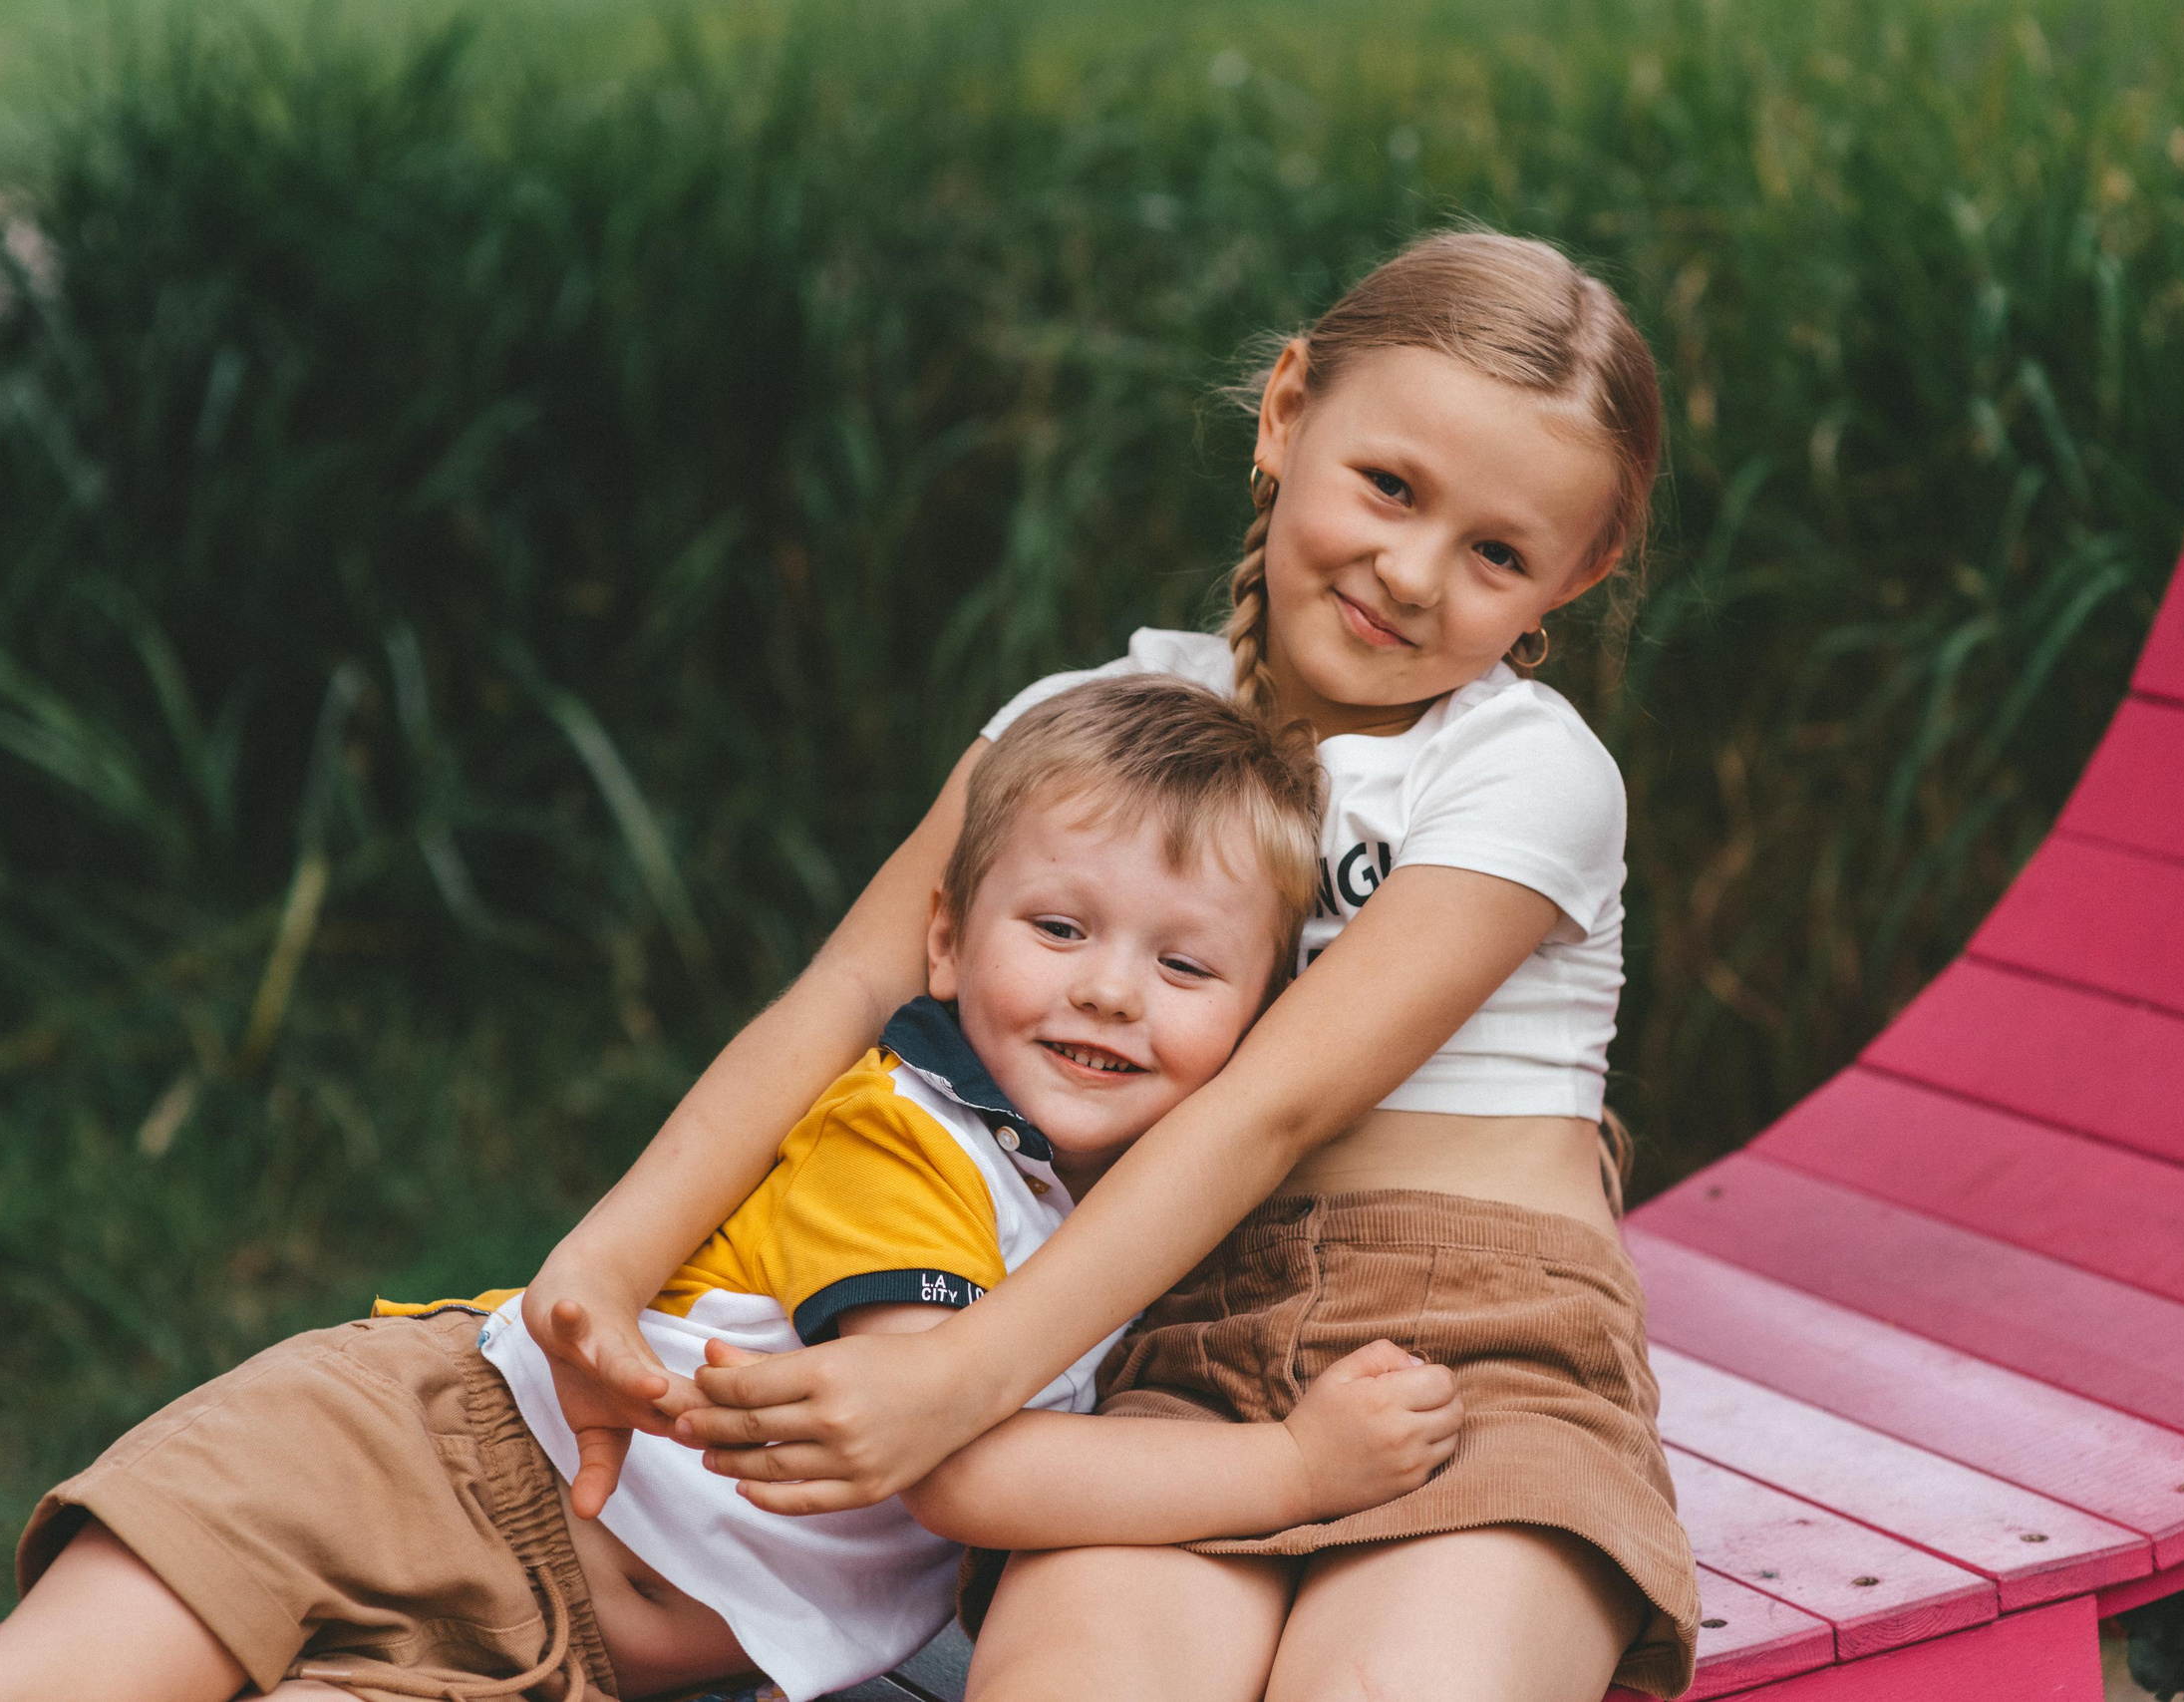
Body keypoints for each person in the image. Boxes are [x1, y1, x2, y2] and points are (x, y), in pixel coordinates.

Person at [523, 226, 1703, 1702]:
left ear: (1574, 578)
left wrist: (964, 1376)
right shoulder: (1094, 730)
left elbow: (1264, 1109)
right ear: (1286, 414)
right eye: (1390, 486)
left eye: (1498, 554)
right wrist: (605, 1267)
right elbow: (845, 998)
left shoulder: (1525, 771)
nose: (1410, 572)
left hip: (1477, 1356)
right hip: (1160, 1338)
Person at [0, 677, 1464, 1702]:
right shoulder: (909, 1140)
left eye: (1184, 964)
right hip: (420, 1458)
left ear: (1262, 1012)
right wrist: (1298, 1470)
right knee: (69, 1680)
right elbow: (956, 1468)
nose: (1112, 995)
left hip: (560, 1655)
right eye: (1059, 929)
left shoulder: (1101, 1222)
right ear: (942, 944)